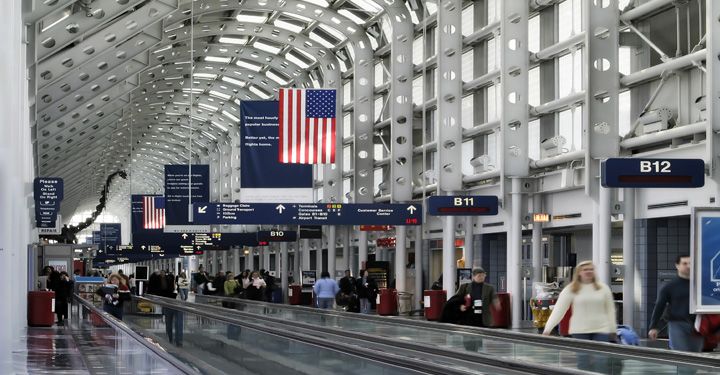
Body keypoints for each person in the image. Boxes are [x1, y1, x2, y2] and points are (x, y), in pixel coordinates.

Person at [542, 261, 616, 372]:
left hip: (601, 329)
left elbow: (610, 310)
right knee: (584, 360)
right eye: (585, 270)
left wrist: (613, 329)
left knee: (602, 360)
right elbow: (559, 310)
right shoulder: (571, 289)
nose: (588, 272)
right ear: (579, 273)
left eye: (591, 269)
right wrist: (548, 328)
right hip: (580, 330)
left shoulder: (603, 288)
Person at [648, 255, 704, 352]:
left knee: (696, 356)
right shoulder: (670, 286)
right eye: (685, 263)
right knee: (681, 354)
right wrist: (653, 327)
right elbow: (659, 306)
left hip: (697, 324)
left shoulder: (700, 286)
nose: (688, 266)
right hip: (677, 324)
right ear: (677, 265)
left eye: (691, 263)